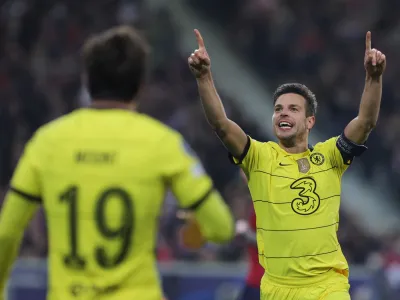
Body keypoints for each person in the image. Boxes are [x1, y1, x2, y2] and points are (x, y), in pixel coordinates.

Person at [0, 25, 234, 300]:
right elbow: (221, 228)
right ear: (140, 85)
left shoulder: (47, 141)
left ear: (87, 80)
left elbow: (7, 233)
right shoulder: (162, 143)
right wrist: (196, 223)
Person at [188, 29, 386, 300]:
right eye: (279, 108)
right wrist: (204, 78)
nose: (283, 112)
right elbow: (222, 126)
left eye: (293, 109)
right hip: (276, 290)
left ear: (309, 122)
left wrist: (374, 78)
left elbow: (365, 122)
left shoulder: (330, 156)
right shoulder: (259, 157)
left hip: (327, 287)